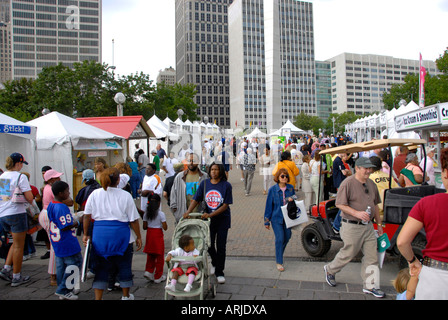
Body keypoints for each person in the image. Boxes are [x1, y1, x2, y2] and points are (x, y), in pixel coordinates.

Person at [324, 157, 386, 298]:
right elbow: (340, 204)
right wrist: (357, 213)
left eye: (370, 168)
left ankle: (371, 286)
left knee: (372, 257)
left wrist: (379, 224)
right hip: (351, 226)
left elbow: (375, 204)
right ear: (357, 168)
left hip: (368, 227)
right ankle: (330, 270)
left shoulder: (371, 184)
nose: (369, 171)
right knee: (348, 253)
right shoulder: (348, 183)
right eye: (366, 168)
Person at [83, 167, 142, 300]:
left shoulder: (95, 194)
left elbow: (86, 216)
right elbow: (133, 220)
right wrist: (138, 236)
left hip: (100, 235)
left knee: (101, 267)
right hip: (121, 235)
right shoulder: (125, 195)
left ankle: (98, 298)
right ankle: (126, 296)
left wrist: (86, 234)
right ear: (118, 180)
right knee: (124, 265)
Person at [396, 148, 448, 300]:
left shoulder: (427, 204)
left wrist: (413, 261)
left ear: (445, 173)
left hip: (436, 278)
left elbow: (402, 241)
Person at [183, 162, 232, 284]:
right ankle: (215, 262)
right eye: (212, 169)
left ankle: (220, 272)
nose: (214, 172)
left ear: (220, 171)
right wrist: (188, 212)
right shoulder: (204, 184)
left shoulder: (226, 185)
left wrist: (211, 214)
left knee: (221, 246)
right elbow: (196, 199)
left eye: (216, 169)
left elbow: (225, 205)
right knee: (208, 245)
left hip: (222, 220)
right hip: (207, 221)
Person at [0, 153, 33, 286]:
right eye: (21, 164)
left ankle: (6, 269)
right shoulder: (21, 176)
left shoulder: (3, 176)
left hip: (4, 214)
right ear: (18, 163)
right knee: (19, 246)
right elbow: (30, 198)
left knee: (15, 244)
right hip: (17, 213)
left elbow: (5, 197)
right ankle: (16, 276)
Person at [47, 181, 82, 300]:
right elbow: (65, 226)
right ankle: (63, 289)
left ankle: (63, 289)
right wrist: (78, 222)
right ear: (61, 193)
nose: (69, 193)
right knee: (74, 265)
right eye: (67, 191)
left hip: (58, 242)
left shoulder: (52, 204)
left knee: (61, 266)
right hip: (67, 242)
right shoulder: (61, 207)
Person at [40, 169, 74, 286]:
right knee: (56, 246)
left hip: (46, 213)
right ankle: (54, 276)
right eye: (56, 178)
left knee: (55, 244)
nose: (59, 179)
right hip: (51, 215)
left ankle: (56, 275)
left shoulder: (46, 188)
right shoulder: (52, 191)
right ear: (50, 180)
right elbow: (70, 202)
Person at [264, 168, 296, 272]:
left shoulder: (290, 188)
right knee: (280, 238)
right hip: (276, 218)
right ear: (277, 177)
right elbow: (269, 205)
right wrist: (266, 220)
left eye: (286, 176)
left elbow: (295, 198)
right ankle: (279, 261)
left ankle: (279, 253)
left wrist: (293, 199)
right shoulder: (272, 190)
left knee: (287, 237)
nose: (284, 178)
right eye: (282, 176)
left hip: (288, 218)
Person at [170, 153, 208, 224]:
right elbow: (173, 194)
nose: (191, 163)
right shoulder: (180, 177)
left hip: (200, 215)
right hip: (184, 215)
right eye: (189, 160)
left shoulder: (204, 177)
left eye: (193, 160)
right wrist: (175, 209)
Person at [143, 193, 168, 284]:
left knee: (150, 254)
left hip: (149, 234)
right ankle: (158, 275)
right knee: (159, 256)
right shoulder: (161, 214)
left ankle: (148, 271)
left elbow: (144, 227)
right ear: (159, 203)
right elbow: (165, 227)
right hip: (157, 234)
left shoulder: (146, 214)